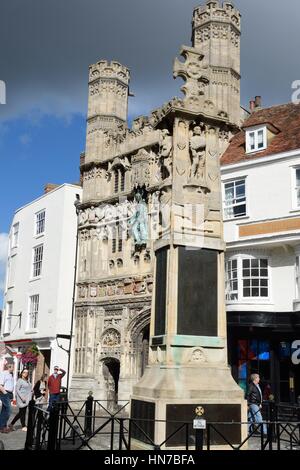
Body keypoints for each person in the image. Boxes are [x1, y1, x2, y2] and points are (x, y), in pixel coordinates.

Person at [0, 363, 14, 433]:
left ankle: (2, 426)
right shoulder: (4, 373)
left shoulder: (10, 374)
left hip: (9, 393)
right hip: (5, 393)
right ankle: (2, 427)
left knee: (4, 411)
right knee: (8, 410)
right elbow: (0, 385)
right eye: (12, 367)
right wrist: (5, 393)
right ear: (9, 367)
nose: (13, 368)